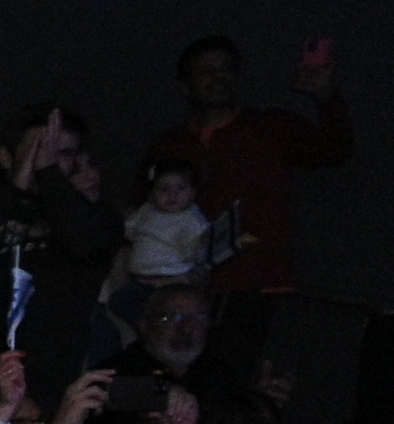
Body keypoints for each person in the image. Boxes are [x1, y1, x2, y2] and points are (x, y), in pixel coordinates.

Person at [146, 32, 348, 292]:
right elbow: (141, 208)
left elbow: (335, 150)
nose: (219, 77)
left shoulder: (271, 127)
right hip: (183, 288)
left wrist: (326, 96)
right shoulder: (169, 145)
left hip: (260, 281)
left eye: (226, 69)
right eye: (207, 71)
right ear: (185, 85)